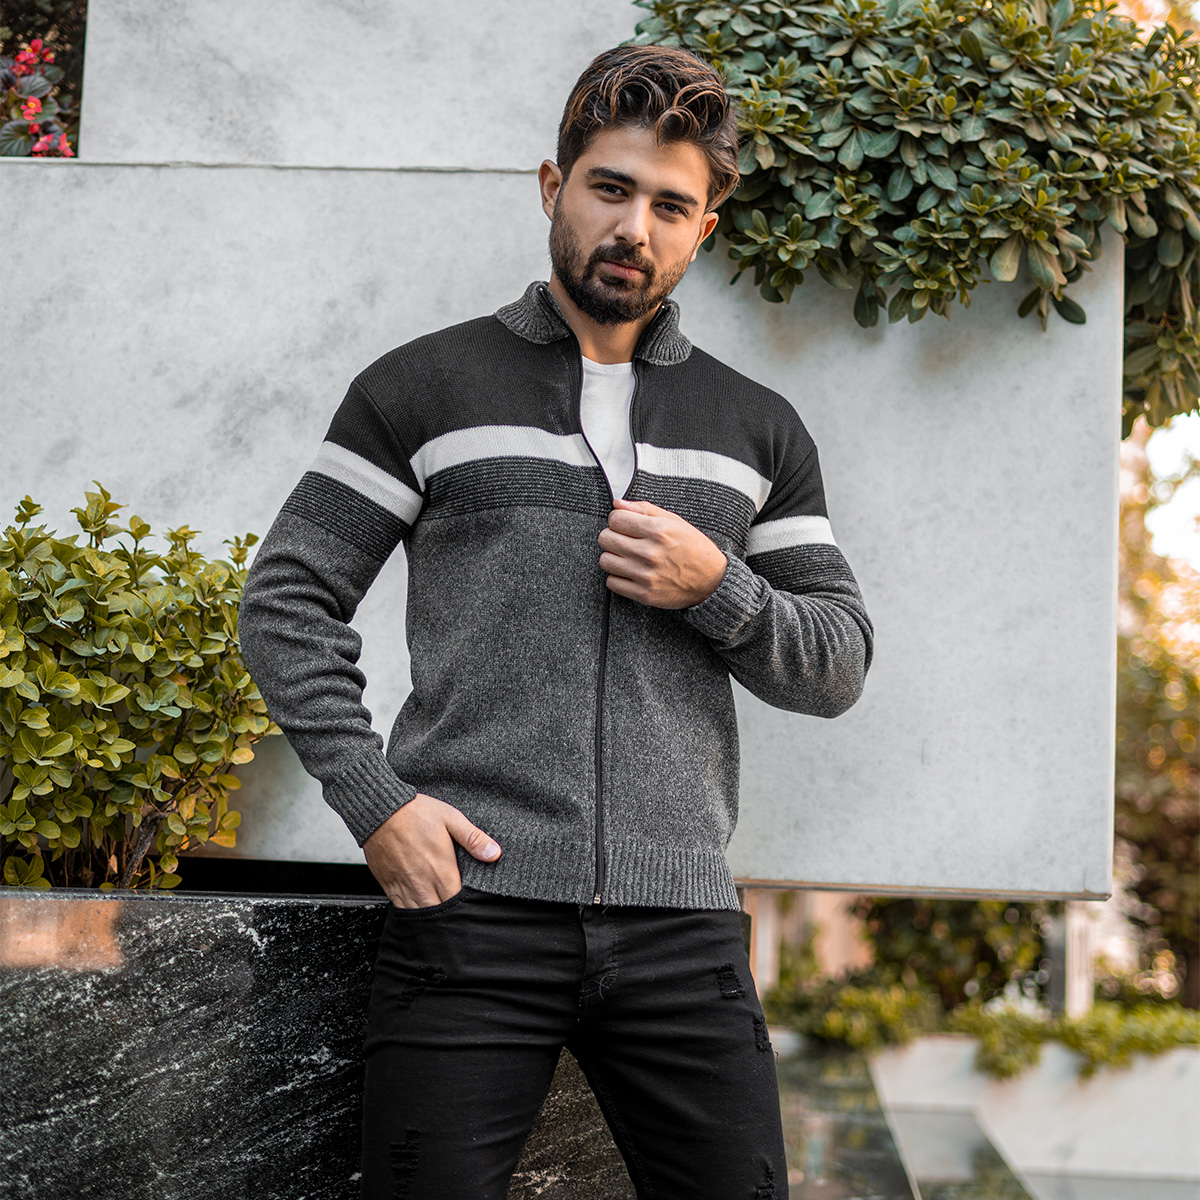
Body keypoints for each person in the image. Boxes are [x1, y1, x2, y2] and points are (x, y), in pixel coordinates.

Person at [236, 42, 873, 1200]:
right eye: (610, 188)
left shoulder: (756, 428)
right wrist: (377, 803)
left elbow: (836, 662)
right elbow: (288, 598)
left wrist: (717, 586)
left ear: (703, 230)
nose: (634, 227)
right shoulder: (421, 389)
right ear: (553, 187)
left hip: (682, 925)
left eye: (670, 206)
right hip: (472, 910)